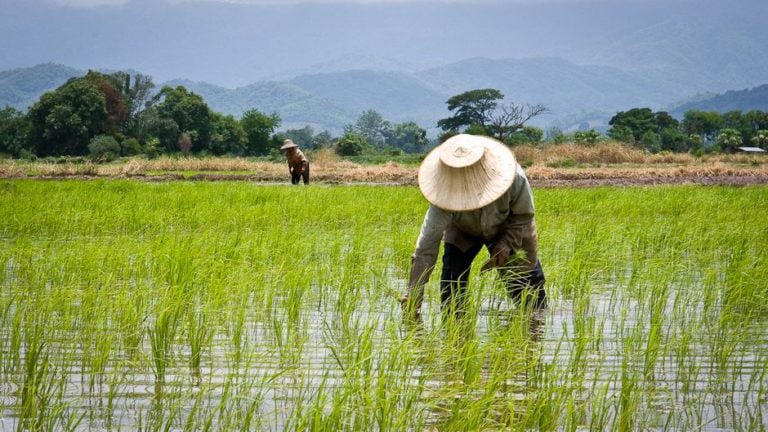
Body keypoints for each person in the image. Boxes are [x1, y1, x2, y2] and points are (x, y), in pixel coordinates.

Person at [400, 134, 546, 322]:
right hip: (463, 230)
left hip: (509, 227)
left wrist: (506, 243)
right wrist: (414, 292)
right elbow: (426, 246)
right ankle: (455, 335)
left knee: (530, 293)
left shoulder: (513, 177)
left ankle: (534, 329)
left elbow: (523, 215)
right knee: (452, 288)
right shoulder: (442, 196)